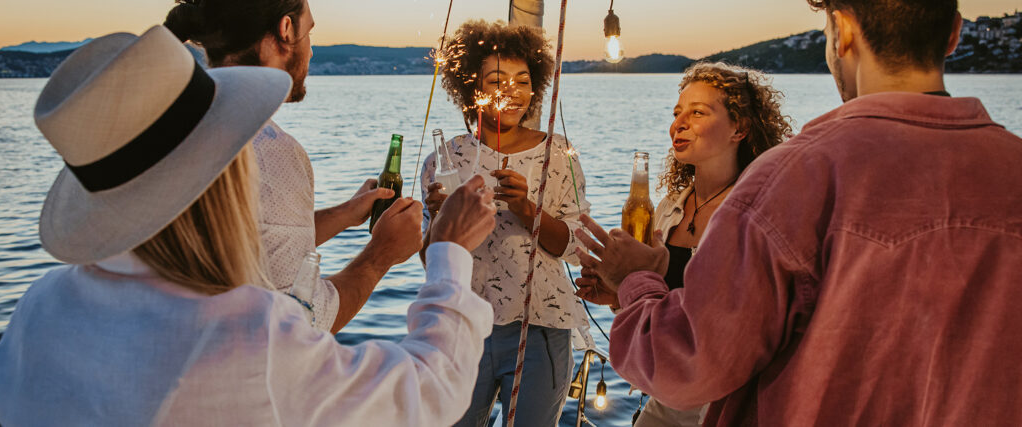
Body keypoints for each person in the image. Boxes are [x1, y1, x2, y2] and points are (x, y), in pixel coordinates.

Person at [0, 26, 498, 426]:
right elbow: (431, 390)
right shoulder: (246, 334)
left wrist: (348, 215)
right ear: (224, 168)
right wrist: (446, 252)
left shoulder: (41, 306)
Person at [573, 0, 1022, 424]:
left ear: (842, 32)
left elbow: (685, 366)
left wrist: (635, 282)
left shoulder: (793, 180)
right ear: (953, 35)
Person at [164, 0, 402, 333]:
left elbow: (249, 243)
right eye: (310, 33)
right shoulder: (271, 150)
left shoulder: (179, 123)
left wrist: (346, 214)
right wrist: (382, 253)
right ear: (286, 30)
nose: (312, 51)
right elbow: (303, 325)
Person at [576, 62, 791, 426]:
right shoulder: (667, 209)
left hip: (731, 404)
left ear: (739, 127)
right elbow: (657, 303)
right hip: (668, 397)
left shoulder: (758, 214)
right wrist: (616, 292)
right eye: (677, 113)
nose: (680, 123)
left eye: (698, 112)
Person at [420, 20, 592, 427]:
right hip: (463, 325)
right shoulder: (444, 160)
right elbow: (431, 261)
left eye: (522, 80)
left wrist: (528, 211)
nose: (511, 91)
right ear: (470, 87)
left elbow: (575, 246)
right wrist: (440, 224)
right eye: (496, 80)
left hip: (541, 328)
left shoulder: (559, 153)